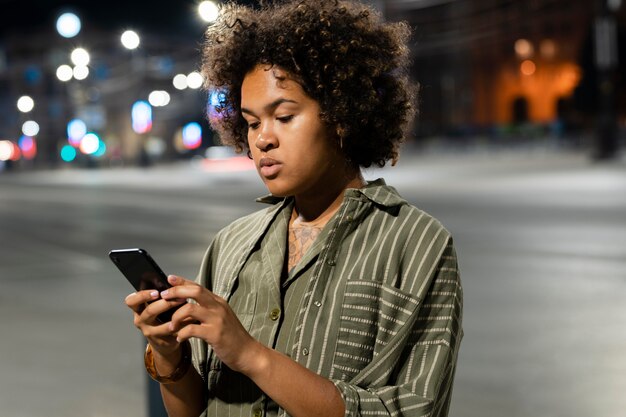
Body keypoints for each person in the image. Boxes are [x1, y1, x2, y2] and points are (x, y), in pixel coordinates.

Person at [124, 1, 463, 416]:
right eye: (251, 123)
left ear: (342, 113)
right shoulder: (231, 245)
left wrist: (250, 354)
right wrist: (169, 357)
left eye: (283, 116)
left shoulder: (417, 245)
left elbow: (414, 410)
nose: (263, 139)